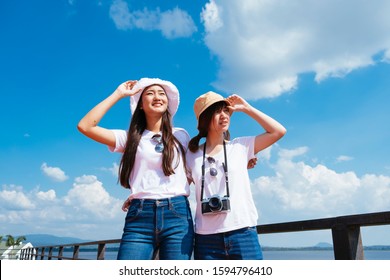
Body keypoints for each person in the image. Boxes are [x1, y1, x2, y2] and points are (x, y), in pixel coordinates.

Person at [77, 78, 194, 260]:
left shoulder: (181, 135)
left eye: (162, 93)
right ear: (140, 105)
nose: (157, 96)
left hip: (177, 214)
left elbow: (195, 167)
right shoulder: (130, 138)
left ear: (167, 102)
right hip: (140, 216)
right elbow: (85, 126)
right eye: (150, 93)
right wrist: (119, 94)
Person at [186, 91, 286, 260]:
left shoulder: (241, 146)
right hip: (205, 238)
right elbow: (177, 185)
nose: (224, 115)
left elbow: (278, 131)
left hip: (243, 232)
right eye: (217, 111)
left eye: (226, 111)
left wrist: (247, 108)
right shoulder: (191, 154)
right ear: (204, 119)